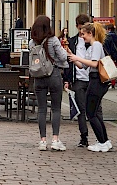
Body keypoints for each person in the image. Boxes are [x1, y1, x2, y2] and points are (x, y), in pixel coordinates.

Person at [67, 22, 113, 152]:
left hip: (97, 81)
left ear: (90, 33)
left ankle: (102, 142)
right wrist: (72, 56)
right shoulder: (91, 47)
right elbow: (82, 66)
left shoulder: (97, 45)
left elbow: (94, 63)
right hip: (94, 80)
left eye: (83, 34)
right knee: (94, 111)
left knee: (91, 112)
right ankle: (105, 140)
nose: (82, 37)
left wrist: (78, 58)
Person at [29, 15, 68, 151]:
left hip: (38, 77)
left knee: (41, 109)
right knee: (56, 108)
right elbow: (63, 57)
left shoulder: (32, 42)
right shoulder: (53, 40)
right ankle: (55, 140)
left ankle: (42, 141)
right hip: (54, 75)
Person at [64, 13, 100, 148]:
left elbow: (96, 62)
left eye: (83, 29)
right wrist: (67, 79)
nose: (81, 33)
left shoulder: (95, 42)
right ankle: (83, 136)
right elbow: (71, 62)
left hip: (93, 79)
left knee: (96, 109)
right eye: (79, 29)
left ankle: (100, 137)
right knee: (81, 109)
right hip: (78, 79)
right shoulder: (72, 41)